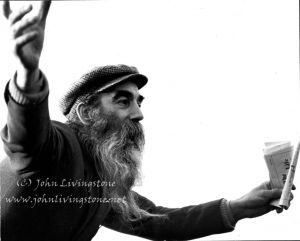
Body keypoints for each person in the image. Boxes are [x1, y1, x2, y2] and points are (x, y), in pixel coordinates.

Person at [0, 2, 295, 241]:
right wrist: (28, 75)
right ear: (87, 111)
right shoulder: (58, 146)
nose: (138, 114)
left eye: (139, 103)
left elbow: (157, 221)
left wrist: (236, 208)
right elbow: (27, 136)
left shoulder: (105, 183)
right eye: (123, 100)